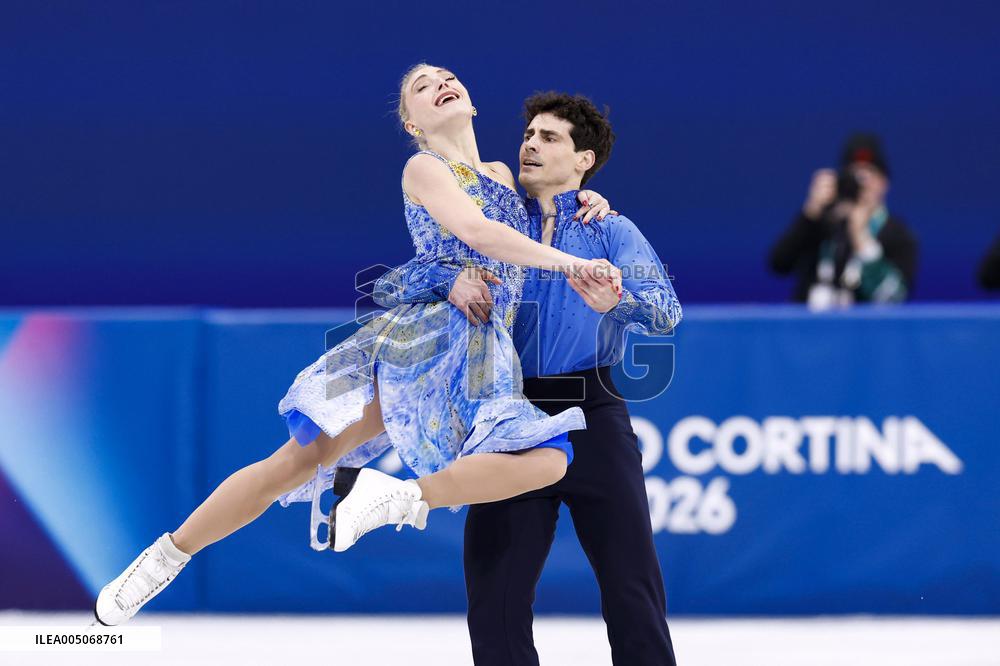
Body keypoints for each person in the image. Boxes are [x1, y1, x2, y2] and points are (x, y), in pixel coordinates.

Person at [93, 64, 620, 626]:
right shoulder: (424, 167)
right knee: (297, 462)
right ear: (412, 123)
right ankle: (165, 557)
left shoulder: (501, 174)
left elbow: (546, 210)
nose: (439, 82)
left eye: (447, 77)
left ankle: (392, 498)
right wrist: (551, 265)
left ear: (472, 103)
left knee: (547, 459)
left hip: (482, 359)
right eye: (420, 86)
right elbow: (476, 235)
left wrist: (591, 202)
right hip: (419, 342)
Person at [376, 92, 680, 666]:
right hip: (508, 417)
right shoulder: (491, 218)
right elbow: (399, 279)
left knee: (632, 590)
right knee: (496, 600)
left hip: (594, 412)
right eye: (529, 134)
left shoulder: (608, 228)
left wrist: (619, 302)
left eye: (549, 138)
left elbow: (666, 312)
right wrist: (449, 280)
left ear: (583, 160)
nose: (529, 145)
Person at [769, 134, 918, 308]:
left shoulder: (899, 235)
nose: (862, 184)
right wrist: (810, 213)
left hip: (866, 332)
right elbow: (778, 264)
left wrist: (861, 238)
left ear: (884, 183)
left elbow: (892, 298)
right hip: (812, 328)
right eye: (854, 176)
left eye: (870, 175)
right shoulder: (822, 224)